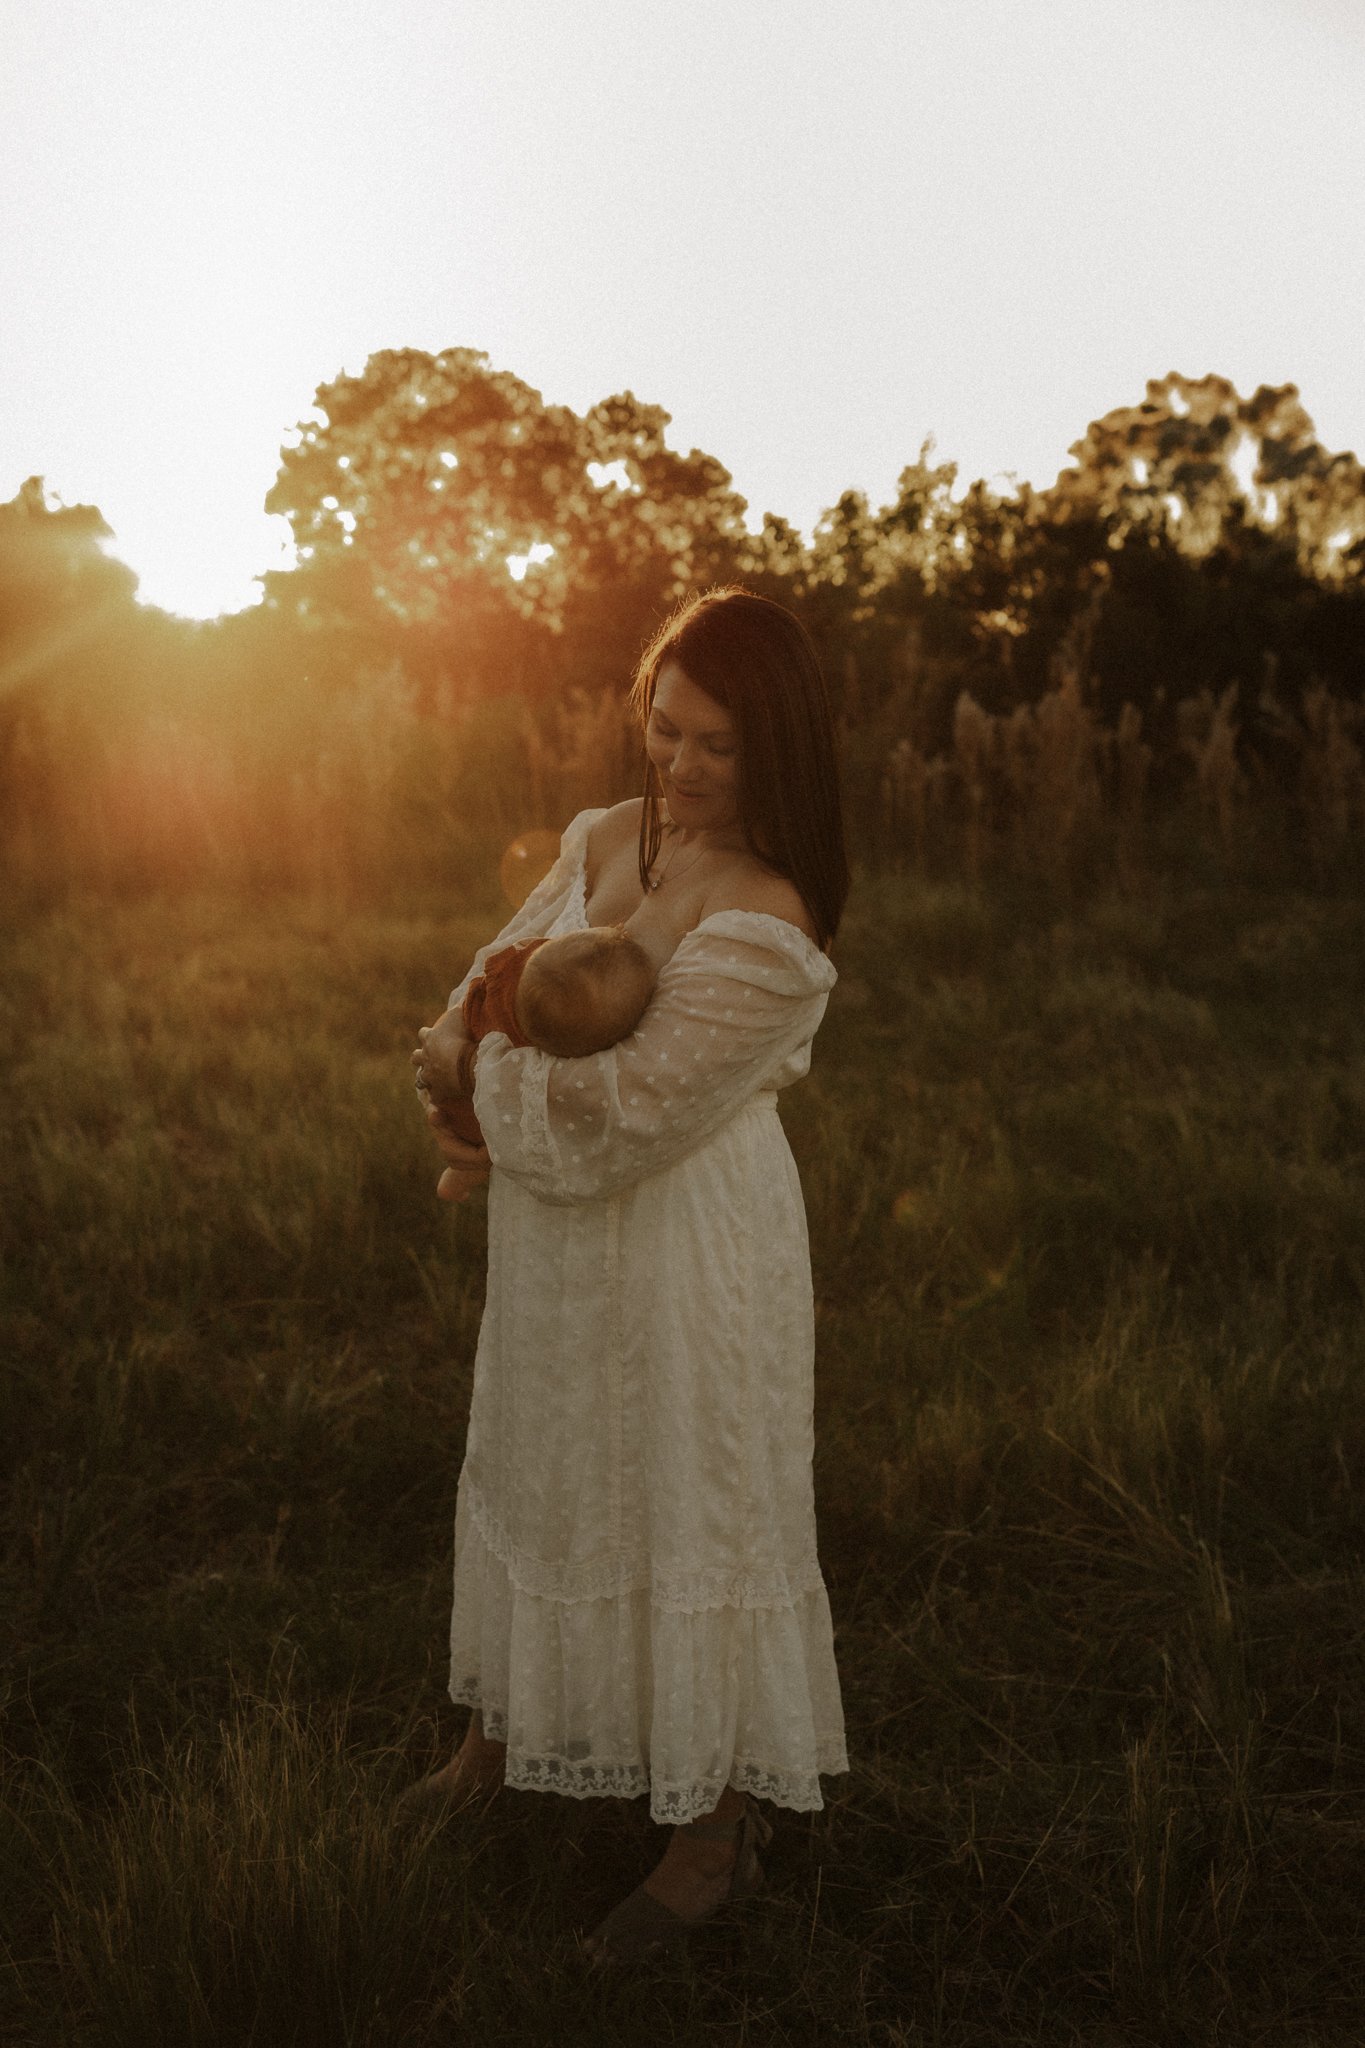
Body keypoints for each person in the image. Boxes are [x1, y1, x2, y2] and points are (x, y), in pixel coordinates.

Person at [405, 587, 851, 1964]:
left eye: (714, 743)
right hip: (551, 1237)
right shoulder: (601, 838)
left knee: (690, 1490)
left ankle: (710, 1838)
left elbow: (624, 1115)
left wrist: (477, 1070)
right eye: (662, 727)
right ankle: (503, 1736)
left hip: (688, 1247)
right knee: (545, 1458)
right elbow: (482, 983)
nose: (678, 763)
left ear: (773, 749)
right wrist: (456, 1050)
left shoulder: (770, 916)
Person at [413, 897, 683, 1187]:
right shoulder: (562, 1053)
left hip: (459, 1108)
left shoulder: (502, 1000)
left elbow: (467, 1008)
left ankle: (463, 1173)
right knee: (505, 1122)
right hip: (496, 1117)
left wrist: (452, 1047)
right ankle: (466, 1171)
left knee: (478, 1125)